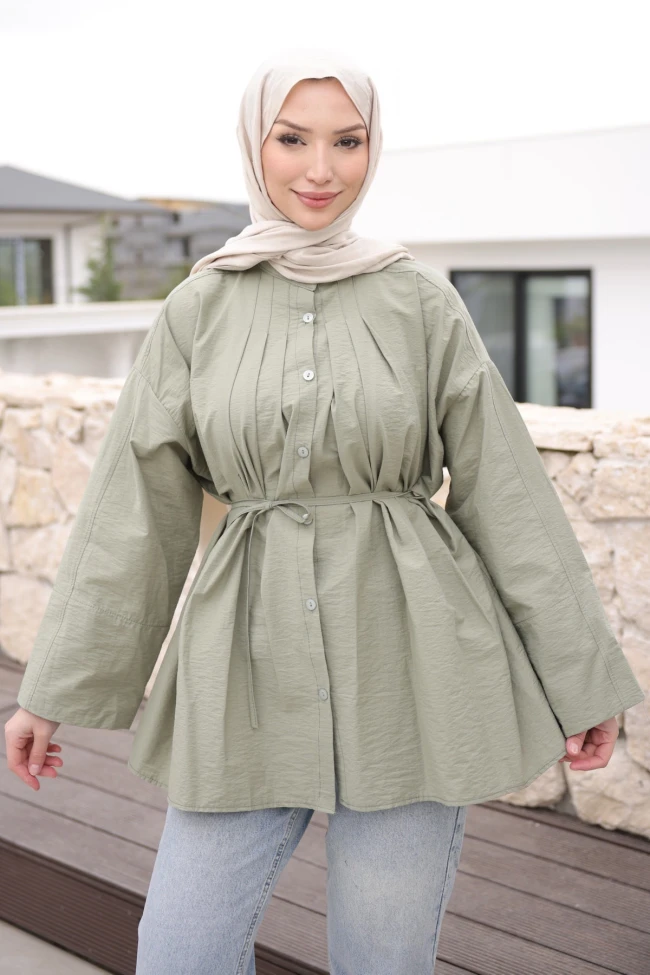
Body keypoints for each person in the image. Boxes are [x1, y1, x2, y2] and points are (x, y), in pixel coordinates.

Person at [4, 48, 645, 975]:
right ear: (253, 145)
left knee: (383, 958)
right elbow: (131, 513)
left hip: (414, 665)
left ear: (372, 149)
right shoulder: (198, 309)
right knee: (181, 950)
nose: (320, 169)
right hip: (243, 661)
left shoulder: (421, 299)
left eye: (348, 141)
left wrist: (583, 683)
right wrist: (52, 692)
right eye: (292, 139)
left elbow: (508, 492)